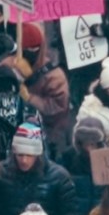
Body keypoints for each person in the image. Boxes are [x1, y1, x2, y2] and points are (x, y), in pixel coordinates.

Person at [14, 23, 71, 154]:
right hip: (19, 135)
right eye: (25, 49)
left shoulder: (55, 76)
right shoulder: (13, 67)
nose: (29, 53)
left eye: (34, 49)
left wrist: (29, 98)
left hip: (49, 138)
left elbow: (57, 109)